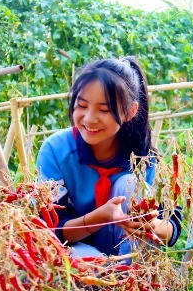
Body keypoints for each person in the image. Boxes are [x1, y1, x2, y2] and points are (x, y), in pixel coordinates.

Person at [36, 57, 183, 259]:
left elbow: (172, 224)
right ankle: (108, 275)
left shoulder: (142, 157)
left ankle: (134, 276)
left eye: (104, 110)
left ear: (130, 112)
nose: (89, 118)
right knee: (90, 264)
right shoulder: (56, 151)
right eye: (82, 105)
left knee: (130, 184)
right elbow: (50, 228)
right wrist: (100, 218)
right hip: (77, 252)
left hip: (129, 255)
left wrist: (152, 225)